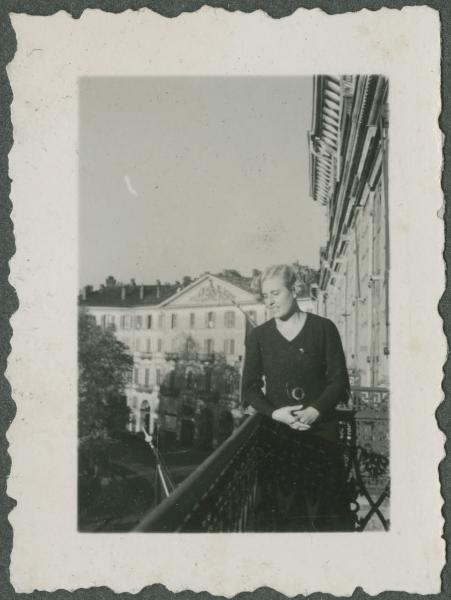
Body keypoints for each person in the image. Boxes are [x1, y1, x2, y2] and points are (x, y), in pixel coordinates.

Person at [242, 264, 353, 532]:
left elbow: (339, 381)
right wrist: (275, 414)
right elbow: (250, 389)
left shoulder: (323, 329)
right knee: (283, 515)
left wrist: (315, 410)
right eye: (265, 296)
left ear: (295, 290)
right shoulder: (259, 336)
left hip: (321, 436)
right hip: (280, 438)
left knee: (323, 515)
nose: (269, 301)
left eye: (276, 293)